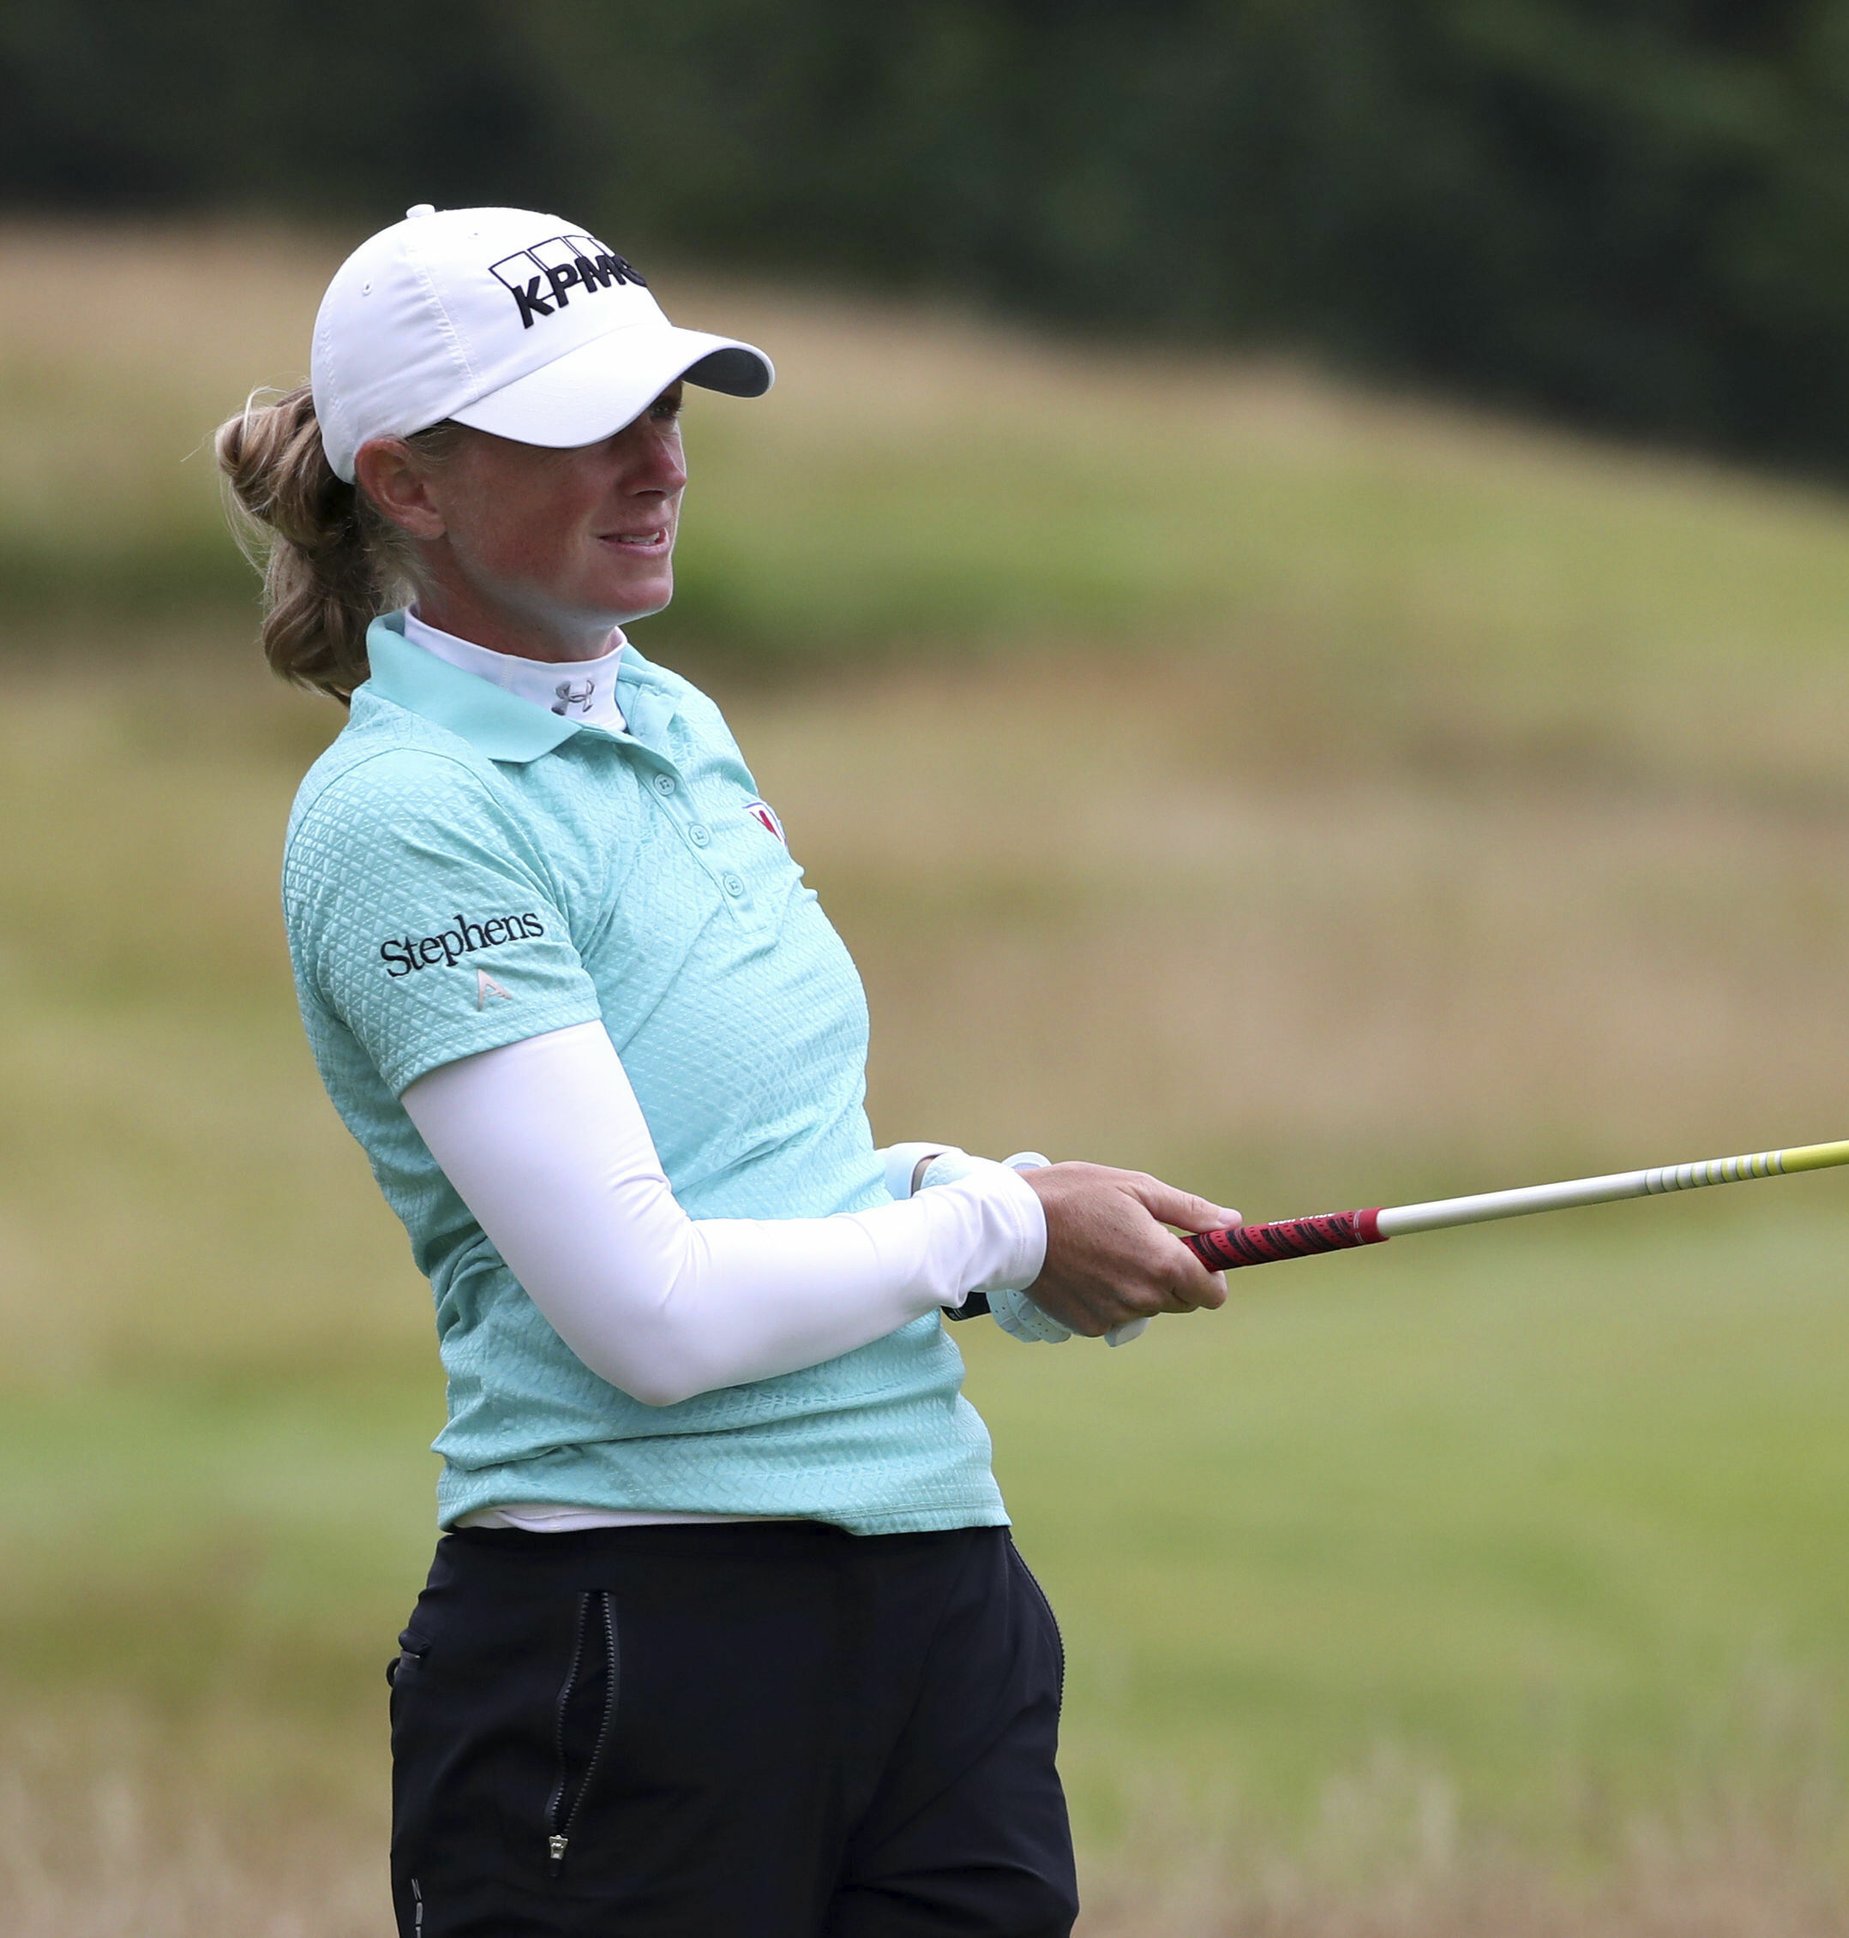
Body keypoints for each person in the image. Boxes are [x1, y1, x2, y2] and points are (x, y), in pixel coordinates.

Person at [215, 204, 1240, 1938]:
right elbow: (651, 1310)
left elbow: (754, 1165)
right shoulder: (406, 821)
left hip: (936, 1593)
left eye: (672, 413)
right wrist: (997, 1227)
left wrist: (962, 1205)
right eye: (586, 429)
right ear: (407, 482)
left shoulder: (673, 720)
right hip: (633, 1629)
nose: (659, 465)